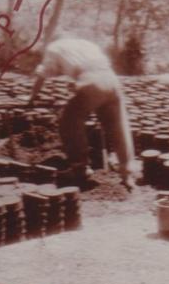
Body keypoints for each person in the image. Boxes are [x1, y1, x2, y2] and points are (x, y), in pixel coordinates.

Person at [29, 37, 134, 191]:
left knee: (69, 121)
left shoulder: (53, 47)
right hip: (112, 80)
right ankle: (127, 174)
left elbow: (43, 74)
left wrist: (32, 97)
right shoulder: (86, 43)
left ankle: (80, 168)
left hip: (91, 82)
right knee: (117, 127)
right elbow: (91, 67)